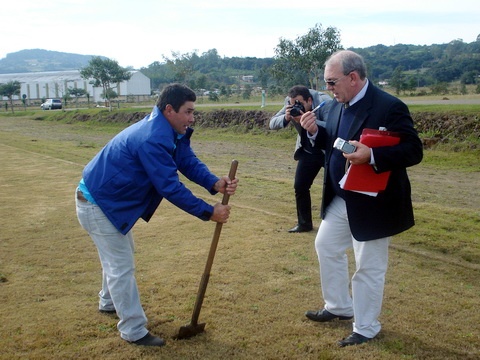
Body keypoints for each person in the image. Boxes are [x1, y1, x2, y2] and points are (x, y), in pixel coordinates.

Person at [75, 83, 238, 347]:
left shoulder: (171, 131)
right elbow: (169, 186)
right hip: (97, 203)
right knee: (121, 265)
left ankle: (107, 302)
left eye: (193, 111)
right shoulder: (152, 137)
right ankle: (133, 330)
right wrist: (209, 212)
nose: (192, 118)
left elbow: (186, 161)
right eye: (188, 112)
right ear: (169, 109)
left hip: (106, 202)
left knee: (119, 255)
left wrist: (213, 183)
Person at [299, 50, 423, 347]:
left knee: (368, 265)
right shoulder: (332, 106)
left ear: (353, 78)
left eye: (331, 82)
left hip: (374, 202)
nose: (327, 89)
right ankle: (339, 306)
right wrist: (315, 132)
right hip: (342, 197)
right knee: (325, 245)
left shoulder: (389, 107)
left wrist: (373, 154)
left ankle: (366, 327)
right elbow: (331, 142)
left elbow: (413, 151)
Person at [269, 86, 331, 233]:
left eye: (299, 103)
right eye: (293, 103)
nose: (296, 106)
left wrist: (309, 121)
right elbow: (272, 123)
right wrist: (286, 117)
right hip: (308, 150)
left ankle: (335, 226)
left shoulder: (325, 103)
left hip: (327, 150)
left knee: (333, 187)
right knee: (300, 186)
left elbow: (335, 127)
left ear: (309, 100)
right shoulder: (290, 103)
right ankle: (304, 224)